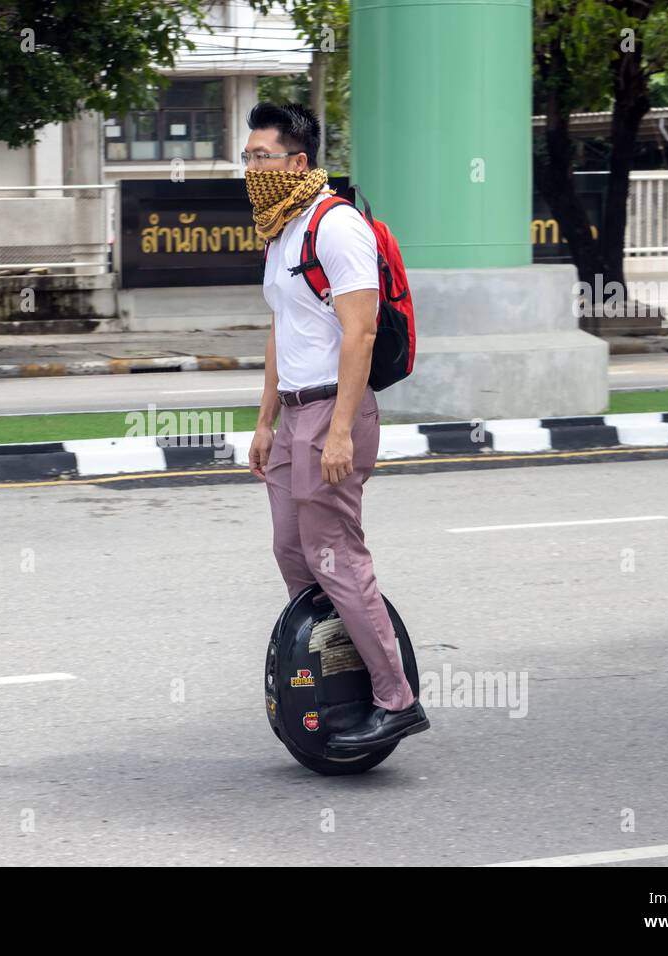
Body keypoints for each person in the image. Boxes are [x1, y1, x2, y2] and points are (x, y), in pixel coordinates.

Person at [244, 102, 428, 751]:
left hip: (332, 411)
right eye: (248, 156)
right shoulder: (282, 228)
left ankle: (394, 697)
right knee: (293, 553)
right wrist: (265, 421)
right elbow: (281, 330)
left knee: (337, 557)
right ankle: (333, 670)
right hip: (294, 413)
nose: (251, 167)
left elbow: (361, 330)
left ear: (298, 161)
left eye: (261, 156)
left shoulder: (337, 225)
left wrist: (343, 430)